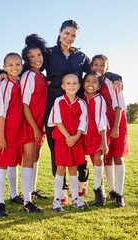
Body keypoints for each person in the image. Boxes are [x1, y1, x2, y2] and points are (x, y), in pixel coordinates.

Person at [43, 20, 123, 205]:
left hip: (79, 110)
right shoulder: (48, 53)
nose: (69, 38)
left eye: (73, 35)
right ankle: (62, 191)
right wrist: (2, 72)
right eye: (67, 33)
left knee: (80, 148)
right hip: (55, 106)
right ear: (60, 31)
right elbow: (32, 64)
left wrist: (115, 76)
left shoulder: (80, 56)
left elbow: (96, 71)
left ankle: (82, 183)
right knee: (58, 151)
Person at [0, 53, 41, 217]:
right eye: (10, 65)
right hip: (5, 130)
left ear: (22, 66)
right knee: (3, 163)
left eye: (17, 64)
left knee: (14, 161)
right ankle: (0, 202)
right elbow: (1, 113)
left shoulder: (20, 81)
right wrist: (1, 136)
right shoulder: (5, 84)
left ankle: (15, 196)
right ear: (5, 67)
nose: (14, 67)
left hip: (18, 128)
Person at [91, 54, 129, 207]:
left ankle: (119, 194)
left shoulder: (113, 82)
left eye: (102, 65)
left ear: (107, 68)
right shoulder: (92, 83)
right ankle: (111, 191)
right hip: (103, 126)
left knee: (118, 156)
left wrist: (115, 128)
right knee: (108, 158)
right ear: (91, 66)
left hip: (117, 124)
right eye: (96, 64)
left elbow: (119, 106)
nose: (99, 67)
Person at [47, 74, 88, 211]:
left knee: (73, 169)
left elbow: (83, 122)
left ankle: (75, 198)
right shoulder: (59, 101)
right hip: (62, 140)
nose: (71, 86)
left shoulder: (81, 103)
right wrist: (67, 137)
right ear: (63, 86)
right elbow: (57, 121)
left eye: (74, 83)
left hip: (76, 140)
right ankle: (57, 200)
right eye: (68, 83)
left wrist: (76, 137)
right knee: (60, 169)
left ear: (79, 86)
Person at [20, 34, 49, 200]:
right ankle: (27, 198)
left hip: (40, 125)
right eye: (31, 56)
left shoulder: (41, 77)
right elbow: (25, 105)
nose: (36, 58)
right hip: (30, 124)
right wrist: (36, 128)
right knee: (29, 159)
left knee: (36, 157)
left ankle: (32, 190)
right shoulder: (29, 76)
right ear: (27, 60)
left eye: (38, 54)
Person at [83, 71, 109, 207]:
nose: (91, 84)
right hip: (84, 135)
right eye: (88, 80)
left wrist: (104, 142)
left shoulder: (98, 99)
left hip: (98, 135)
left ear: (99, 86)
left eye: (94, 81)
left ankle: (99, 192)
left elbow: (101, 121)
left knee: (98, 161)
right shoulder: (81, 97)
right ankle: (79, 192)